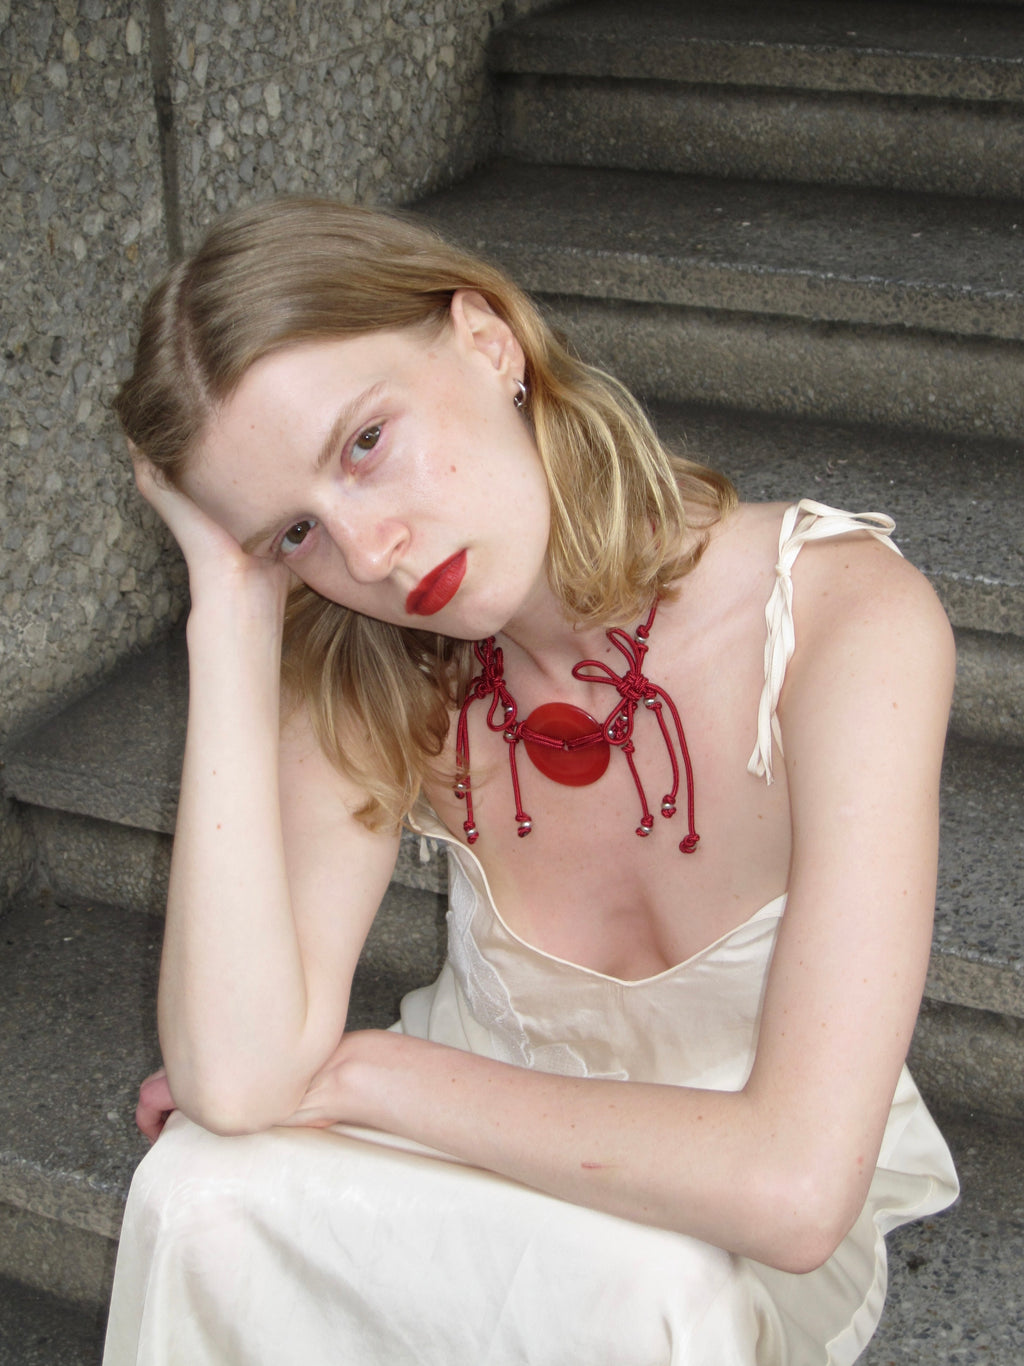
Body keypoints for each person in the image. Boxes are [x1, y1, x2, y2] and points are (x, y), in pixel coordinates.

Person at [102, 196, 958, 1366]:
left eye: (364, 442)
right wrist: (229, 607)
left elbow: (794, 1188)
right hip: (477, 1144)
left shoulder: (840, 616)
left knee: (649, 1287)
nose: (368, 552)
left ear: (487, 340)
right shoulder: (365, 671)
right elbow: (241, 1076)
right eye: (292, 533)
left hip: (713, 1217)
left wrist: (360, 1069)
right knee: (197, 1181)